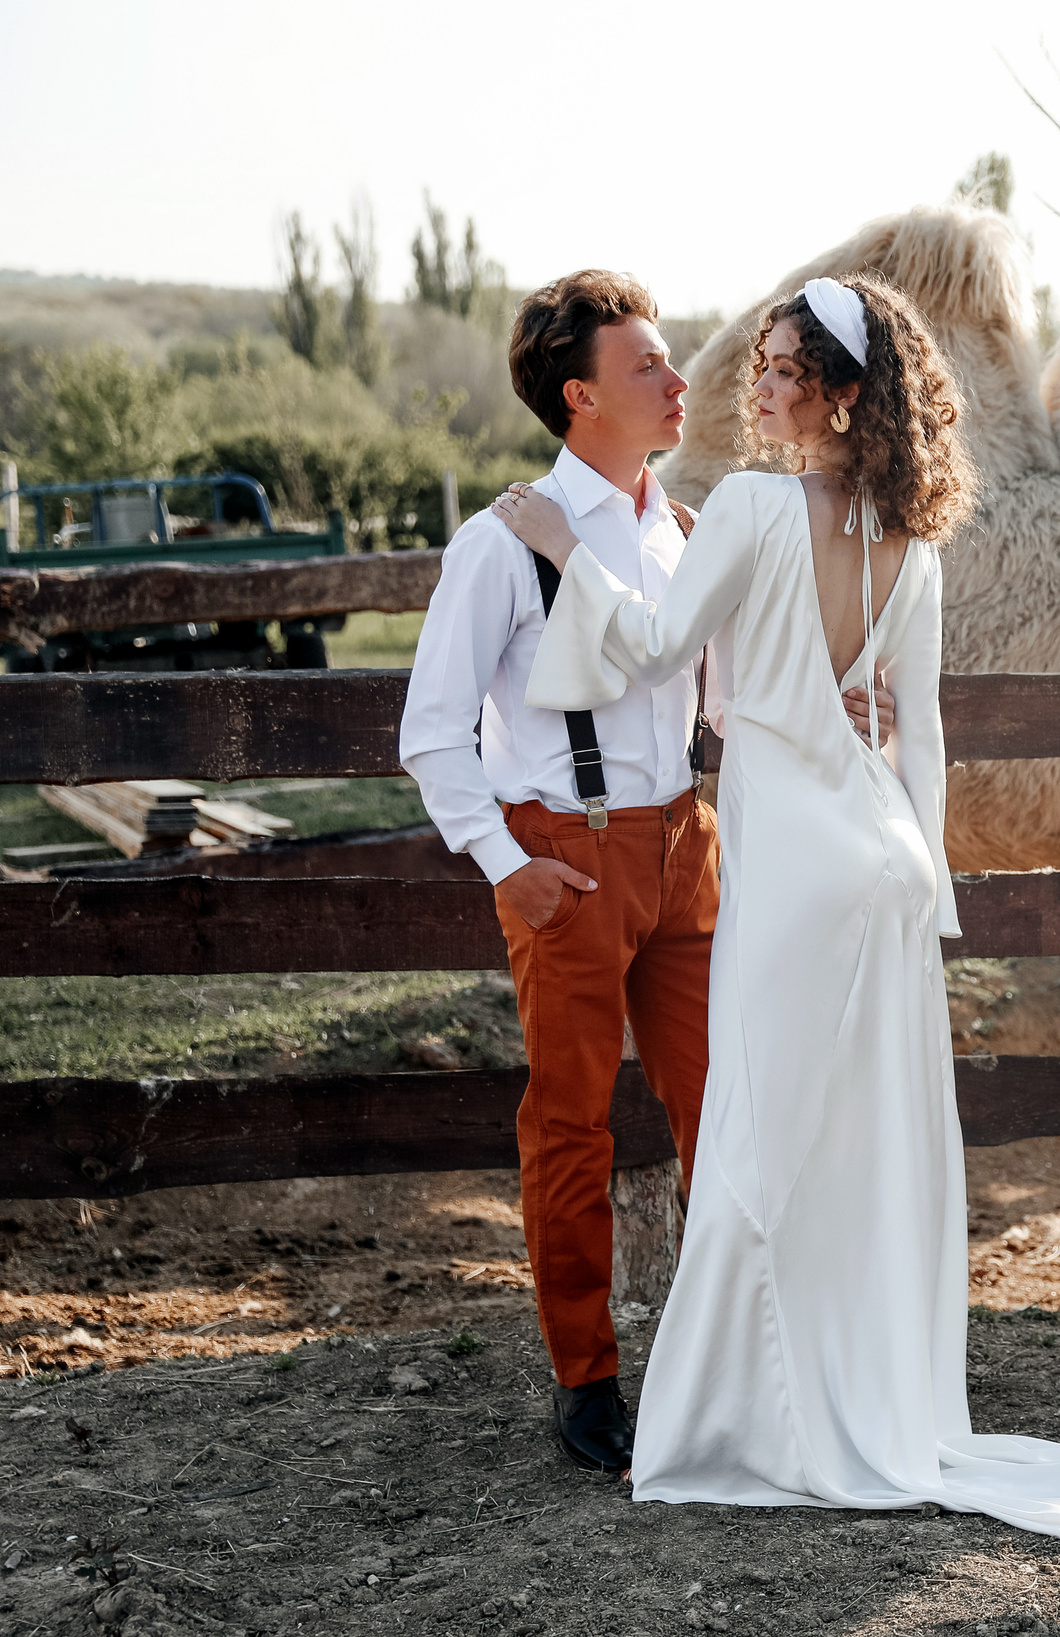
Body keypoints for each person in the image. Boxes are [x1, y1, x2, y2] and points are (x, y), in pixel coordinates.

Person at [489, 275, 1060, 1549]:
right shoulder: (912, 540)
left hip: (800, 867)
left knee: (761, 1131)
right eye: (761, 362)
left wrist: (559, 543)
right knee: (867, 1151)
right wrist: (933, 890)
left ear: (840, 395)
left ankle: (739, 1420)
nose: (754, 383)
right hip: (890, 864)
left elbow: (645, 649)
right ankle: (864, 1397)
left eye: (782, 367)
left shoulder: (748, 507)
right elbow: (921, 732)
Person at [400, 270, 887, 1477]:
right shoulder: (502, 542)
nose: (683, 383)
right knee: (568, 1128)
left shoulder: (684, 525)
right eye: (648, 370)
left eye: (672, 365)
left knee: (723, 1105)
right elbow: (430, 730)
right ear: (580, 397)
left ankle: (732, 1358)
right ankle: (587, 1379)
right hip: (565, 852)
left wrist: (834, 698)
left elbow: (723, 695)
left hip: (688, 845)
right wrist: (505, 864)